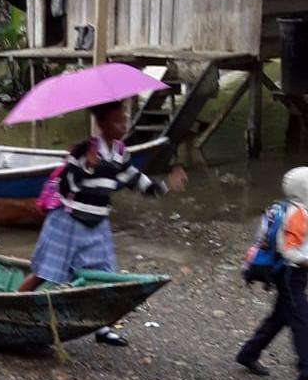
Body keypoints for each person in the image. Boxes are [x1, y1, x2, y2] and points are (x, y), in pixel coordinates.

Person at [17, 100, 188, 346]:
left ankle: (103, 329)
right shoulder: (83, 150)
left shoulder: (119, 153)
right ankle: (13, 303)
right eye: (118, 121)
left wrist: (166, 185)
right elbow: (66, 188)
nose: (124, 125)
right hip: (67, 221)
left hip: (97, 224)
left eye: (125, 119)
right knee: (44, 273)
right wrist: (87, 167)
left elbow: (138, 183)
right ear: (102, 123)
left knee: (106, 276)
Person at [236, 167, 308, 380]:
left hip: (289, 274)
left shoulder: (291, 209)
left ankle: (248, 353)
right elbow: (289, 251)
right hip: (290, 274)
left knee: (280, 317)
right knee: (302, 324)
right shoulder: (297, 214)